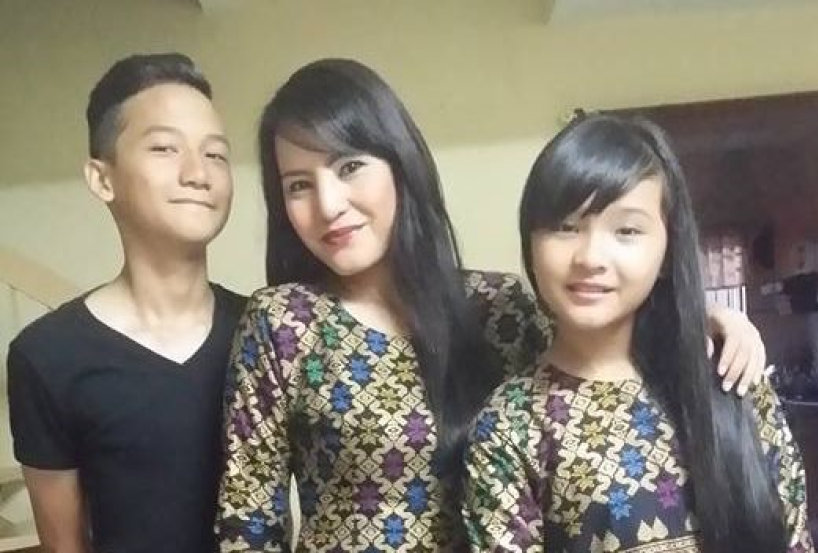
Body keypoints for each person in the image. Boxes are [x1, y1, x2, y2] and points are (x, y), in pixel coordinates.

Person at [216, 59, 768, 552]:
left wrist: (705, 321)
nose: (329, 204)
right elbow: (248, 526)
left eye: (349, 167)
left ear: (399, 161)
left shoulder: (498, 307)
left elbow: (600, 352)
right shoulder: (283, 323)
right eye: (298, 185)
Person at [462, 113, 813, 552]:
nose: (590, 257)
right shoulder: (509, 427)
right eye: (566, 227)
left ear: (667, 251)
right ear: (531, 243)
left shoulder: (731, 380)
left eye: (626, 230)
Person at [7, 53, 247, 553]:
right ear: (102, 179)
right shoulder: (47, 355)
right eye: (164, 148)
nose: (198, 173)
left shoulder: (268, 331)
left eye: (216, 154)